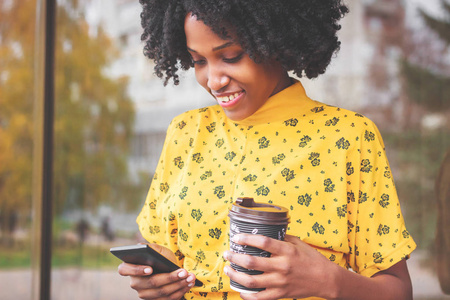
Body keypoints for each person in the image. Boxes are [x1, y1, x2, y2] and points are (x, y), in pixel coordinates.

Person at [118, 1, 417, 299]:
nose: (213, 81)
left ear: (276, 42)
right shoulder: (185, 133)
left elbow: (398, 291)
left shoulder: (348, 138)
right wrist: (157, 284)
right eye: (199, 61)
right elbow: (159, 253)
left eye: (231, 56)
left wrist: (330, 281)